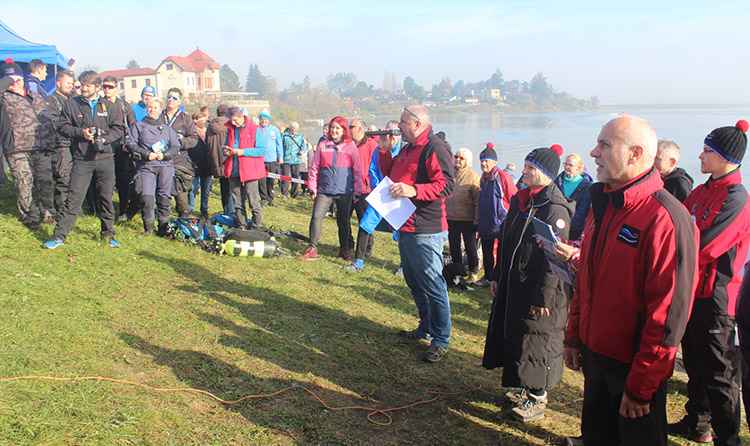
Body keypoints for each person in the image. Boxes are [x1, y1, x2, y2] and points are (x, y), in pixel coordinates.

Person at [563, 116, 698, 446]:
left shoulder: (666, 219)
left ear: (636, 153)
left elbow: (667, 316)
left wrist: (641, 387)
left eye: (605, 145)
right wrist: (573, 335)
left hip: (634, 371)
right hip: (597, 360)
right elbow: (587, 281)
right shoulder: (604, 202)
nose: (594, 153)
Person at [669, 120, 750, 446]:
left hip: (718, 297)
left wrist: (676, 247)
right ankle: (698, 423)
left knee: (720, 372)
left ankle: (729, 437)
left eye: (706, 151)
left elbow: (706, 245)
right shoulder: (702, 191)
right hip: (692, 290)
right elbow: (677, 226)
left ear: (725, 157)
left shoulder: (736, 198)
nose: (699, 156)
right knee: (695, 364)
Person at [483, 144, 573, 422]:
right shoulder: (525, 201)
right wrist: (498, 274)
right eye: (525, 166)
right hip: (516, 283)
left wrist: (543, 297)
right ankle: (525, 389)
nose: (524, 171)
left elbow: (554, 261)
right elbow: (507, 242)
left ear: (546, 174)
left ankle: (537, 398)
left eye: (531, 168)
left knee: (537, 341)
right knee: (520, 337)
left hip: (540, 291)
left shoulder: (554, 209)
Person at [379, 105, 455, 363]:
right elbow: (391, 177)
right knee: (414, 281)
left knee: (432, 284)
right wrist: (384, 150)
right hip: (406, 225)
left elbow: (446, 184)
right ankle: (426, 327)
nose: (398, 126)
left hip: (426, 228)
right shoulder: (409, 147)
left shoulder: (435, 147)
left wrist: (414, 190)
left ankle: (441, 339)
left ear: (417, 124)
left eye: (402, 122)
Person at [43, 71, 125, 248]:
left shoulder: (108, 106)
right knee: (73, 198)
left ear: (97, 87)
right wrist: (81, 133)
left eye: (87, 85)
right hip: (82, 159)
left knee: (106, 197)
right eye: (81, 85)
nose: (83, 88)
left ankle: (108, 234)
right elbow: (62, 126)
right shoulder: (71, 104)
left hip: (105, 158)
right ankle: (59, 236)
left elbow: (119, 129)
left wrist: (105, 139)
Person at [0, 59, 56, 229]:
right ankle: (30, 217)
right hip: (17, 148)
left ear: (23, 79)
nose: (14, 83)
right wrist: (7, 81)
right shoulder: (4, 97)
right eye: (10, 80)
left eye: (17, 79)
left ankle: (48, 213)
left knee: (45, 181)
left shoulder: (36, 96)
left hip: (41, 146)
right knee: (23, 182)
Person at [345, 120, 404, 272]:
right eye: (387, 132)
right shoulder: (379, 150)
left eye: (393, 133)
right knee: (365, 224)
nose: (390, 137)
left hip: (399, 198)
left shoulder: (404, 151)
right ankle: (359, 261)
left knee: (402, 233)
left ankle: (404, 266)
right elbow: (372, 169)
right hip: (382, 194)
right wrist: (379, 188)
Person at [300, 116, 362, 261]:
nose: (334, 130)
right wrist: (312, 187)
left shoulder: (350, 146)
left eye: (337, 128)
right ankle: (312, 247)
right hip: (324, 189)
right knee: (316, 216)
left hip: (344, 191)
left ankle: (344, 249)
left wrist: (357, 191)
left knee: (343, 220)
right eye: (332, 127)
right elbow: (314, 167)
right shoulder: (323, 145)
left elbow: (357, 170)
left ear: (343, 131)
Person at [125, 98, 180, 237]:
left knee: (164, 197)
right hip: (146, 166)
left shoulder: (167, 128)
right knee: (147, 198)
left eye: (155, 107)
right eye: (150, 107)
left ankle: (163, 227)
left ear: (160, 110)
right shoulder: (138, 126)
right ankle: (149, 228)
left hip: (165, 166)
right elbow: (130, 144)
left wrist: (165, 154)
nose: (152, 110)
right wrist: (146, 154)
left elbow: (175, 146)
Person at [476, 146, 517, 286]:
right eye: (481, 161)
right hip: (486, 221)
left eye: (487, 161)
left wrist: (511, 219)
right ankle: (487, 277)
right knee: (486, 251)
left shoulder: (503, 176)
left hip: (501, 222)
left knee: (501, 254)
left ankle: (500, 279)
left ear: (494, 162)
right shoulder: (483, 178)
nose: (483, 164)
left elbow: (514, 198)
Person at [100, 76, 137, 222]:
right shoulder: (99, 104)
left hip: (122, 148)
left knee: (124, 181)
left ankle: (123, 209)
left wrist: (130, 143)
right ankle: (104, 211)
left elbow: (133, 126)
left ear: (116, 88)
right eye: (105, 86)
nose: (107, 89)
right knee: (105, 182)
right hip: (105, 147)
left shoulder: (124, 106)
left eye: (110, 86)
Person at [222, 106, 266, 229]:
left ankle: (257, 226)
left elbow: (261, 150)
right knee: (238, 202)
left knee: (253, 201)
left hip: (250, 171)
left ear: (242, 117)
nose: (233, 123)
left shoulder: (255, 129)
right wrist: (225, 151)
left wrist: (243, 152)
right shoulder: (230, 129)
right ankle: (242, 225)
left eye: (235, 120)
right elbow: (226, 144)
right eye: (231, 121)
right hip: (234, 169)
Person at [162, 87, 199, 218]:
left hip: (179, 160)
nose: (171, 100)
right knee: (161, 191)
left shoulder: (185, 118)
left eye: (174, 98)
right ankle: (162, 219)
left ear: (179, 101)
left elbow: (194, 139)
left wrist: (181, 142)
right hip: (161, 159)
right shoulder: (159, 116)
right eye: (169, 97)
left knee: (180, 194)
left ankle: (184, 219)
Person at [445, 147, 480, 282]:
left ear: (467, 161)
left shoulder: (473, 177)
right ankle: (458, 270)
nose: (458, 160)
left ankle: (473, 271)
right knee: (454, 246)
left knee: (470, 247)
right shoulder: (450, 174)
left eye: (461, 158)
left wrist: (477, 219)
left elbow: (477, 201)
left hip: (467, 218)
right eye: (456, 157)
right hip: (451, 217)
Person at [45, 70, 75, 220]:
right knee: (62, 177)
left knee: (70, 178)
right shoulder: (52, 101)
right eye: (68, 83)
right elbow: (54, 123)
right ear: (58, 83)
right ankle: (61, 210)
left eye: (72, 83)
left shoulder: (71, 100)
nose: (71, 86)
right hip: (60, 144)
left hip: (72, 144)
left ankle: (69, 208)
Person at [349, 118, 378, 255]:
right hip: (350, 188)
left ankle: (367, 247)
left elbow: (375, 167)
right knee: (344, 218)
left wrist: (368, 183)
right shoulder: (350, 145)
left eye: (351, 126)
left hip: (365, 189)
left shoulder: (372, 145)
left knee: (364, 220)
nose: (349, 129)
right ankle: (348, 243)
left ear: (360, 129)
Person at [554, 153, 593, 240]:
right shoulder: (557, 181)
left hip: (574, 230)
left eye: (570, 165)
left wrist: (565, 226)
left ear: (578, 168)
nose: (567, 167)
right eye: (565, 164)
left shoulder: (586, 186)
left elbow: (582, 213)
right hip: (556, 225)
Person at [206, 104, 233, 214]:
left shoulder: (210, 126)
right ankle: (231, 213)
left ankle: (227, 211)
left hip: (215, 161)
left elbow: (207, 144)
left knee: (224, 189)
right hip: (228, 160)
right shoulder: (229, 125)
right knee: (232, 190)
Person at [188, 111, 212, 218]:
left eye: (205, 120)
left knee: (205, 189)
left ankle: (204, 208)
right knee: (193, 188)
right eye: (201, 120)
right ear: (195, 120)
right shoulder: (191, 132)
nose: (203, 122)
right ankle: (190, 208)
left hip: (207, 164)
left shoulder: (209, 131)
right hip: (194, 164)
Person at [257, 110, 283, 206]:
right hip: (261, 160)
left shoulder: (274, 130)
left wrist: (280, 156)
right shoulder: (258, 129)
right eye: (262, 119)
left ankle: (270, 199)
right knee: (262, 181)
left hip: (272, 159)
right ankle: (263, 198)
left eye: (265, 119)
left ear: (268, 119)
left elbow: (279, 144)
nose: (263, 121)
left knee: (271, 180)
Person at [280, 121, 306, 199]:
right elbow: (280, 146)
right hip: (286, 159)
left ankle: (294, 194)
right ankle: (284, 194)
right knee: (285, 177)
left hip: (296, 159)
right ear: (290, 128)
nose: (294, 129)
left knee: (295, 177)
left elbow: (303, 146)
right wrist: (280, 156)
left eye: (296, 128)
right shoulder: (284, 135)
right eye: (293, 128)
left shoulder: (300, 136)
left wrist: (302, 151)